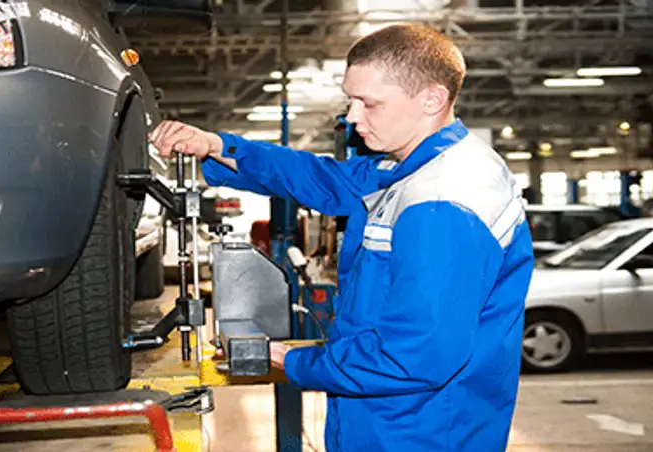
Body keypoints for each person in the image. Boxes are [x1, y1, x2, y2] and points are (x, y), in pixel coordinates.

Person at [150, 23, 534, 452]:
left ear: (432, 98)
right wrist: (218, 146)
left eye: (369, 103)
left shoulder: (443, 203)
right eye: (351, 100)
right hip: (384, 417)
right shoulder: (409, 167)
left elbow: (414, 354)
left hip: (419, 431)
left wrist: (294, 360)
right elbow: (326, 180)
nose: (352, 117)